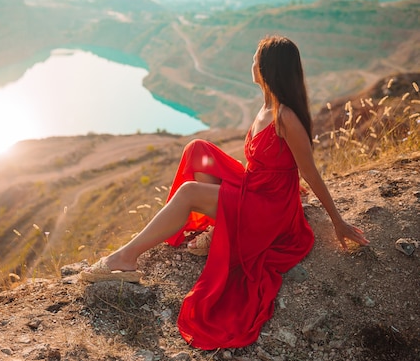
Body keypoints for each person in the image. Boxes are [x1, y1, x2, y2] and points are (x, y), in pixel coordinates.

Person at [79, 35, 370, 350]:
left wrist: (338, 221)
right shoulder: (266, 106)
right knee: (198, 149)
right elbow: (273, 161)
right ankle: (219, 225)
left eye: (255, 59)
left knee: (190, 191)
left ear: (267, 69)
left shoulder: (285, 116)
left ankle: (126, 258)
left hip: (268, 208)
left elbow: (310, 171)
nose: (251, 64)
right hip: (255, 186)